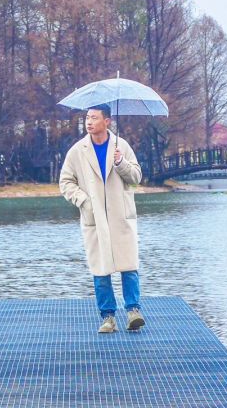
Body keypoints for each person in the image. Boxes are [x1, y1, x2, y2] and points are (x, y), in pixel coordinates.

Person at [59, 104, 145, 334]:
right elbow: (65, 182)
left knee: (129, 265)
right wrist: (83, 201)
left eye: (94, 118)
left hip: (121, 216)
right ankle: (108, 317)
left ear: (107, 121)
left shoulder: (122, 146)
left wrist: (121, 164)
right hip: (94, 218)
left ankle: (133, 312)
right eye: (87, 118)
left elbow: (136, 177)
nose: (88, 122)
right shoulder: (77, 151)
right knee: (100, 268)